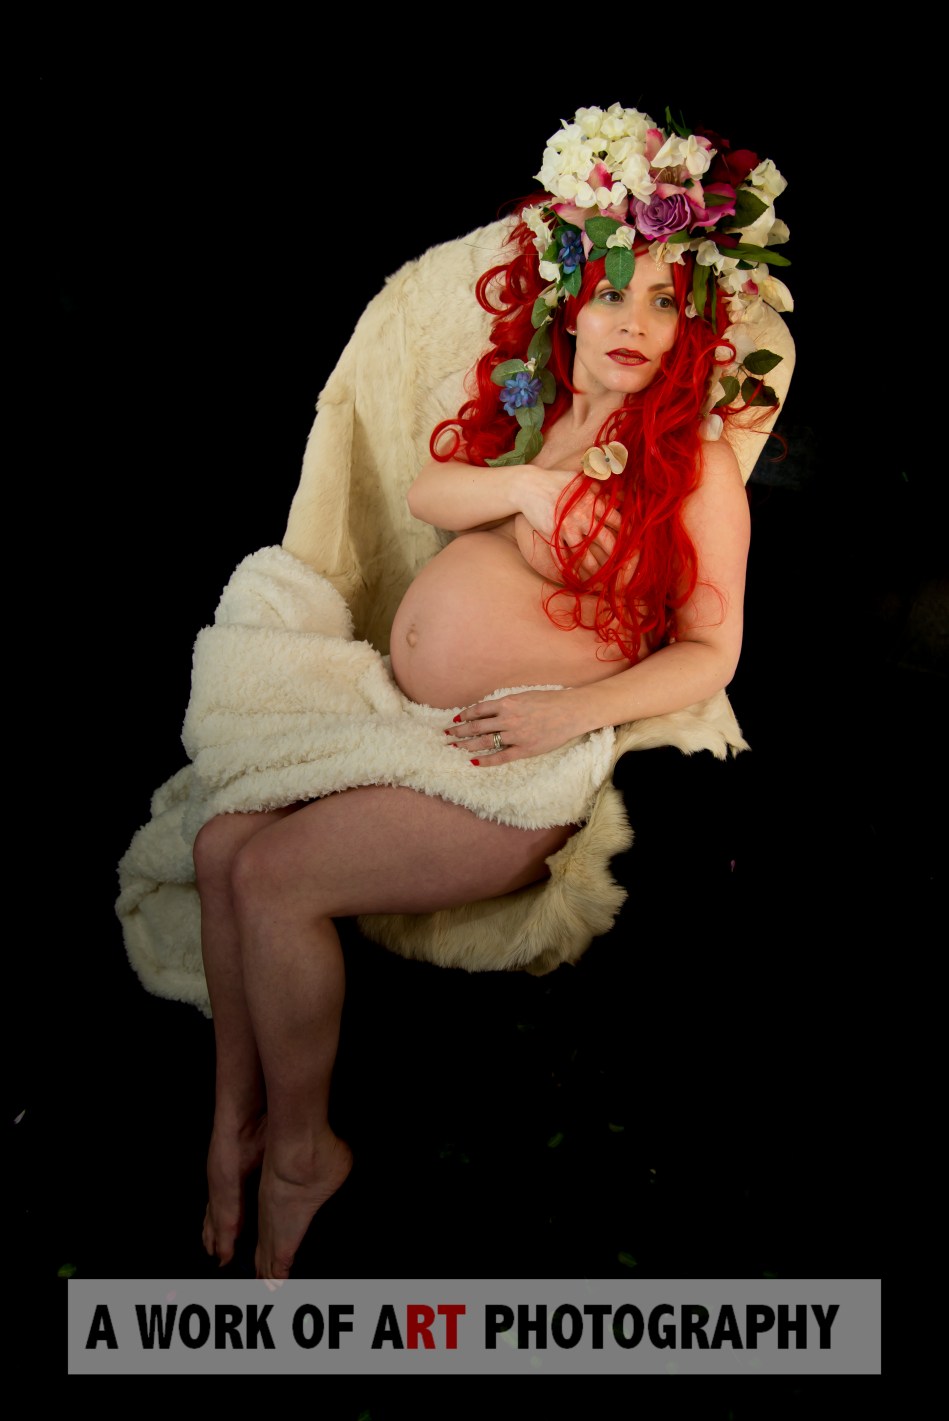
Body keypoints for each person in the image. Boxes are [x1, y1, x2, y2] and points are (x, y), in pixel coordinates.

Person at [192, 102, 791, 1279]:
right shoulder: (543, 418)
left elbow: (710, 651)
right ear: (567, 301)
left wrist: (571, 710)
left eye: (663, 300)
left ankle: (305, 1153)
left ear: (694, 322)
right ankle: (235, 1122)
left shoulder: (696, 465)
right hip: (426, 722)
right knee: (219, 845)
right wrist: (524, 490)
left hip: (516, 756)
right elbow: (430, 495)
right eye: (610, 293)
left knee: (270, 875)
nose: (634, 322)